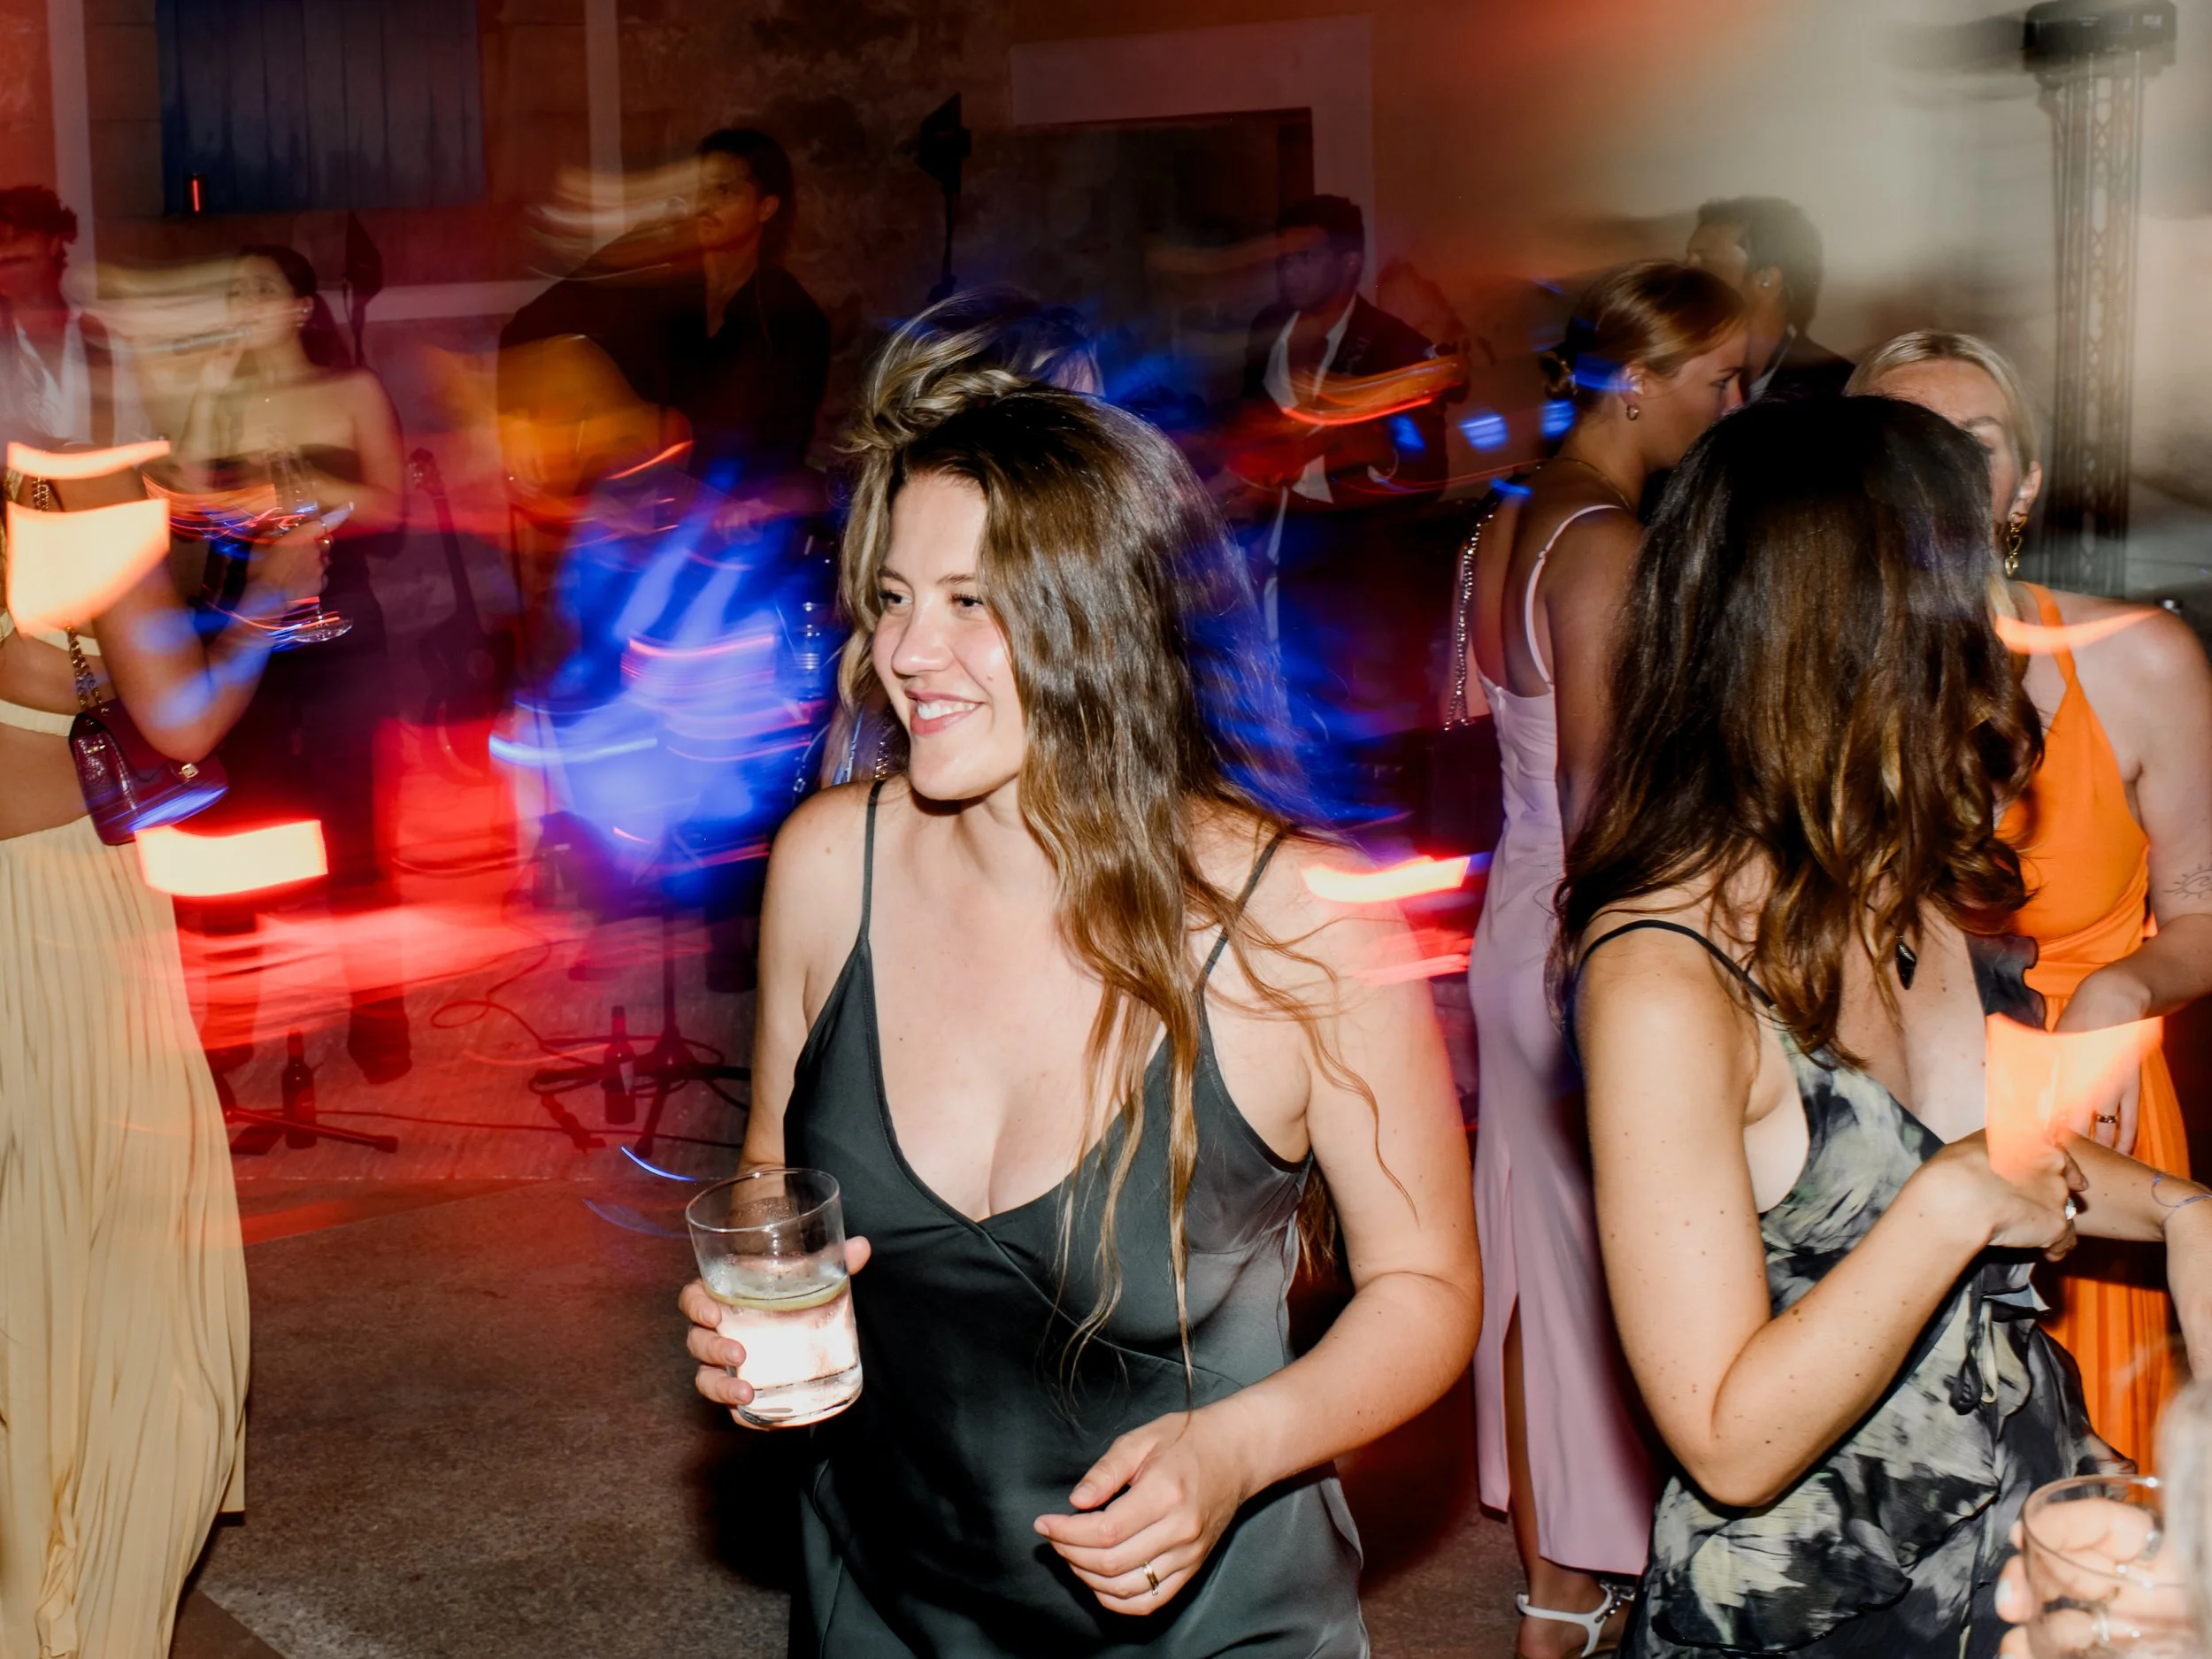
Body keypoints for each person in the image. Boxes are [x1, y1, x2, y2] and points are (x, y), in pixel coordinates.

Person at [680, 350, 1481, 1655]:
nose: (903, 654)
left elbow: (1430, 1283)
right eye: (890, 598)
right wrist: (754, 1304)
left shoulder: (1297, 918)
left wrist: (1238, 1448)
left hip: (1202, 1621)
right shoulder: (830, 863)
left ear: (1100, 620)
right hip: (884, 1596)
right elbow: (776, 1176)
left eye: (968, 602)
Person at [1561, 394, 2212, 1657]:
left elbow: (1996, 1153)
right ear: (1865, 628)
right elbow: (1727, 1436)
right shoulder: (1663, 972)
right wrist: (1955, 1203)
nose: (1995, 624)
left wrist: (2183, 1209)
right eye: (1960, 584)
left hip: (2026, 1505)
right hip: (1822, 1600)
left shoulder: (1895, 862)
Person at [1850, 330, 2212, 1470]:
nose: (1946, 470)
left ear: (2028, 483)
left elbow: (2205, 906)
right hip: (1881, 1110)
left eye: (1979, 441)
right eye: (1909, 441)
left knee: (2089, 1494)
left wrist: (2123, 987)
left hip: (2086, 1098)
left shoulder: (2139, 659)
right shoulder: (1812, 672)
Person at [1457, 258, 1744, 1659]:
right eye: (1722, 377)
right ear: (1639, 377)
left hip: (1509, 918)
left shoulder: (1511, 514)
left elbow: (1471, 715)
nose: (1735, 403)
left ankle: (1551, 1593)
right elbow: (1596, 793)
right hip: (1581, 926)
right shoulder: (1610, 542)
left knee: (1533, 1259)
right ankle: (1593, 1582)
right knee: (1619, 1261)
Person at [0, 448, 324, 1655]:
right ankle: (79, 1608)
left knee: (20, 1259)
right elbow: (180, 718)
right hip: (61, 923)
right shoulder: (75, 499)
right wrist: (268, 590)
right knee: (124, 1268)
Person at [174, 244, 411, 1082]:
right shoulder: (221, 395)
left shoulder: (351, 390)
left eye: (258, 287)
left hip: (339, 620)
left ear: (303, 307)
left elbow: (393, 506)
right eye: (228, 288)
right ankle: (234, 1017)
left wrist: (310, 484)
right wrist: (212, 392)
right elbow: (187, 512)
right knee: (239, 829)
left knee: (353, 823)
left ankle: (377, 1011)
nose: (240, 300)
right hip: (246, 625)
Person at [1224, 193, 1448, 826]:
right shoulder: (1268, 328)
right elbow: (1246, 430)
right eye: (1283, 258)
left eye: (1305, 256)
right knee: (1272, 739)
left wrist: (1296, 484)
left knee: (1353, 764)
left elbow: (1426, 475)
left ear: (1350, 264)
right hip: (1266, 574)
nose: (1288, 270)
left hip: (1354, 594)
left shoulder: (1395, 347)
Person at [0, 184, 143, 450]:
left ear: (53, 244)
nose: (8, 250)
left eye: (21, 235)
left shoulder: (106, 340)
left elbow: (134, 439)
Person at [1684, 196, 1852, 403]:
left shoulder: (1839, 391)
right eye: (1687, 262)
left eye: (1706, 262)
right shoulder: (1687, 375)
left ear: (1766, 280)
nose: (1684, 277)